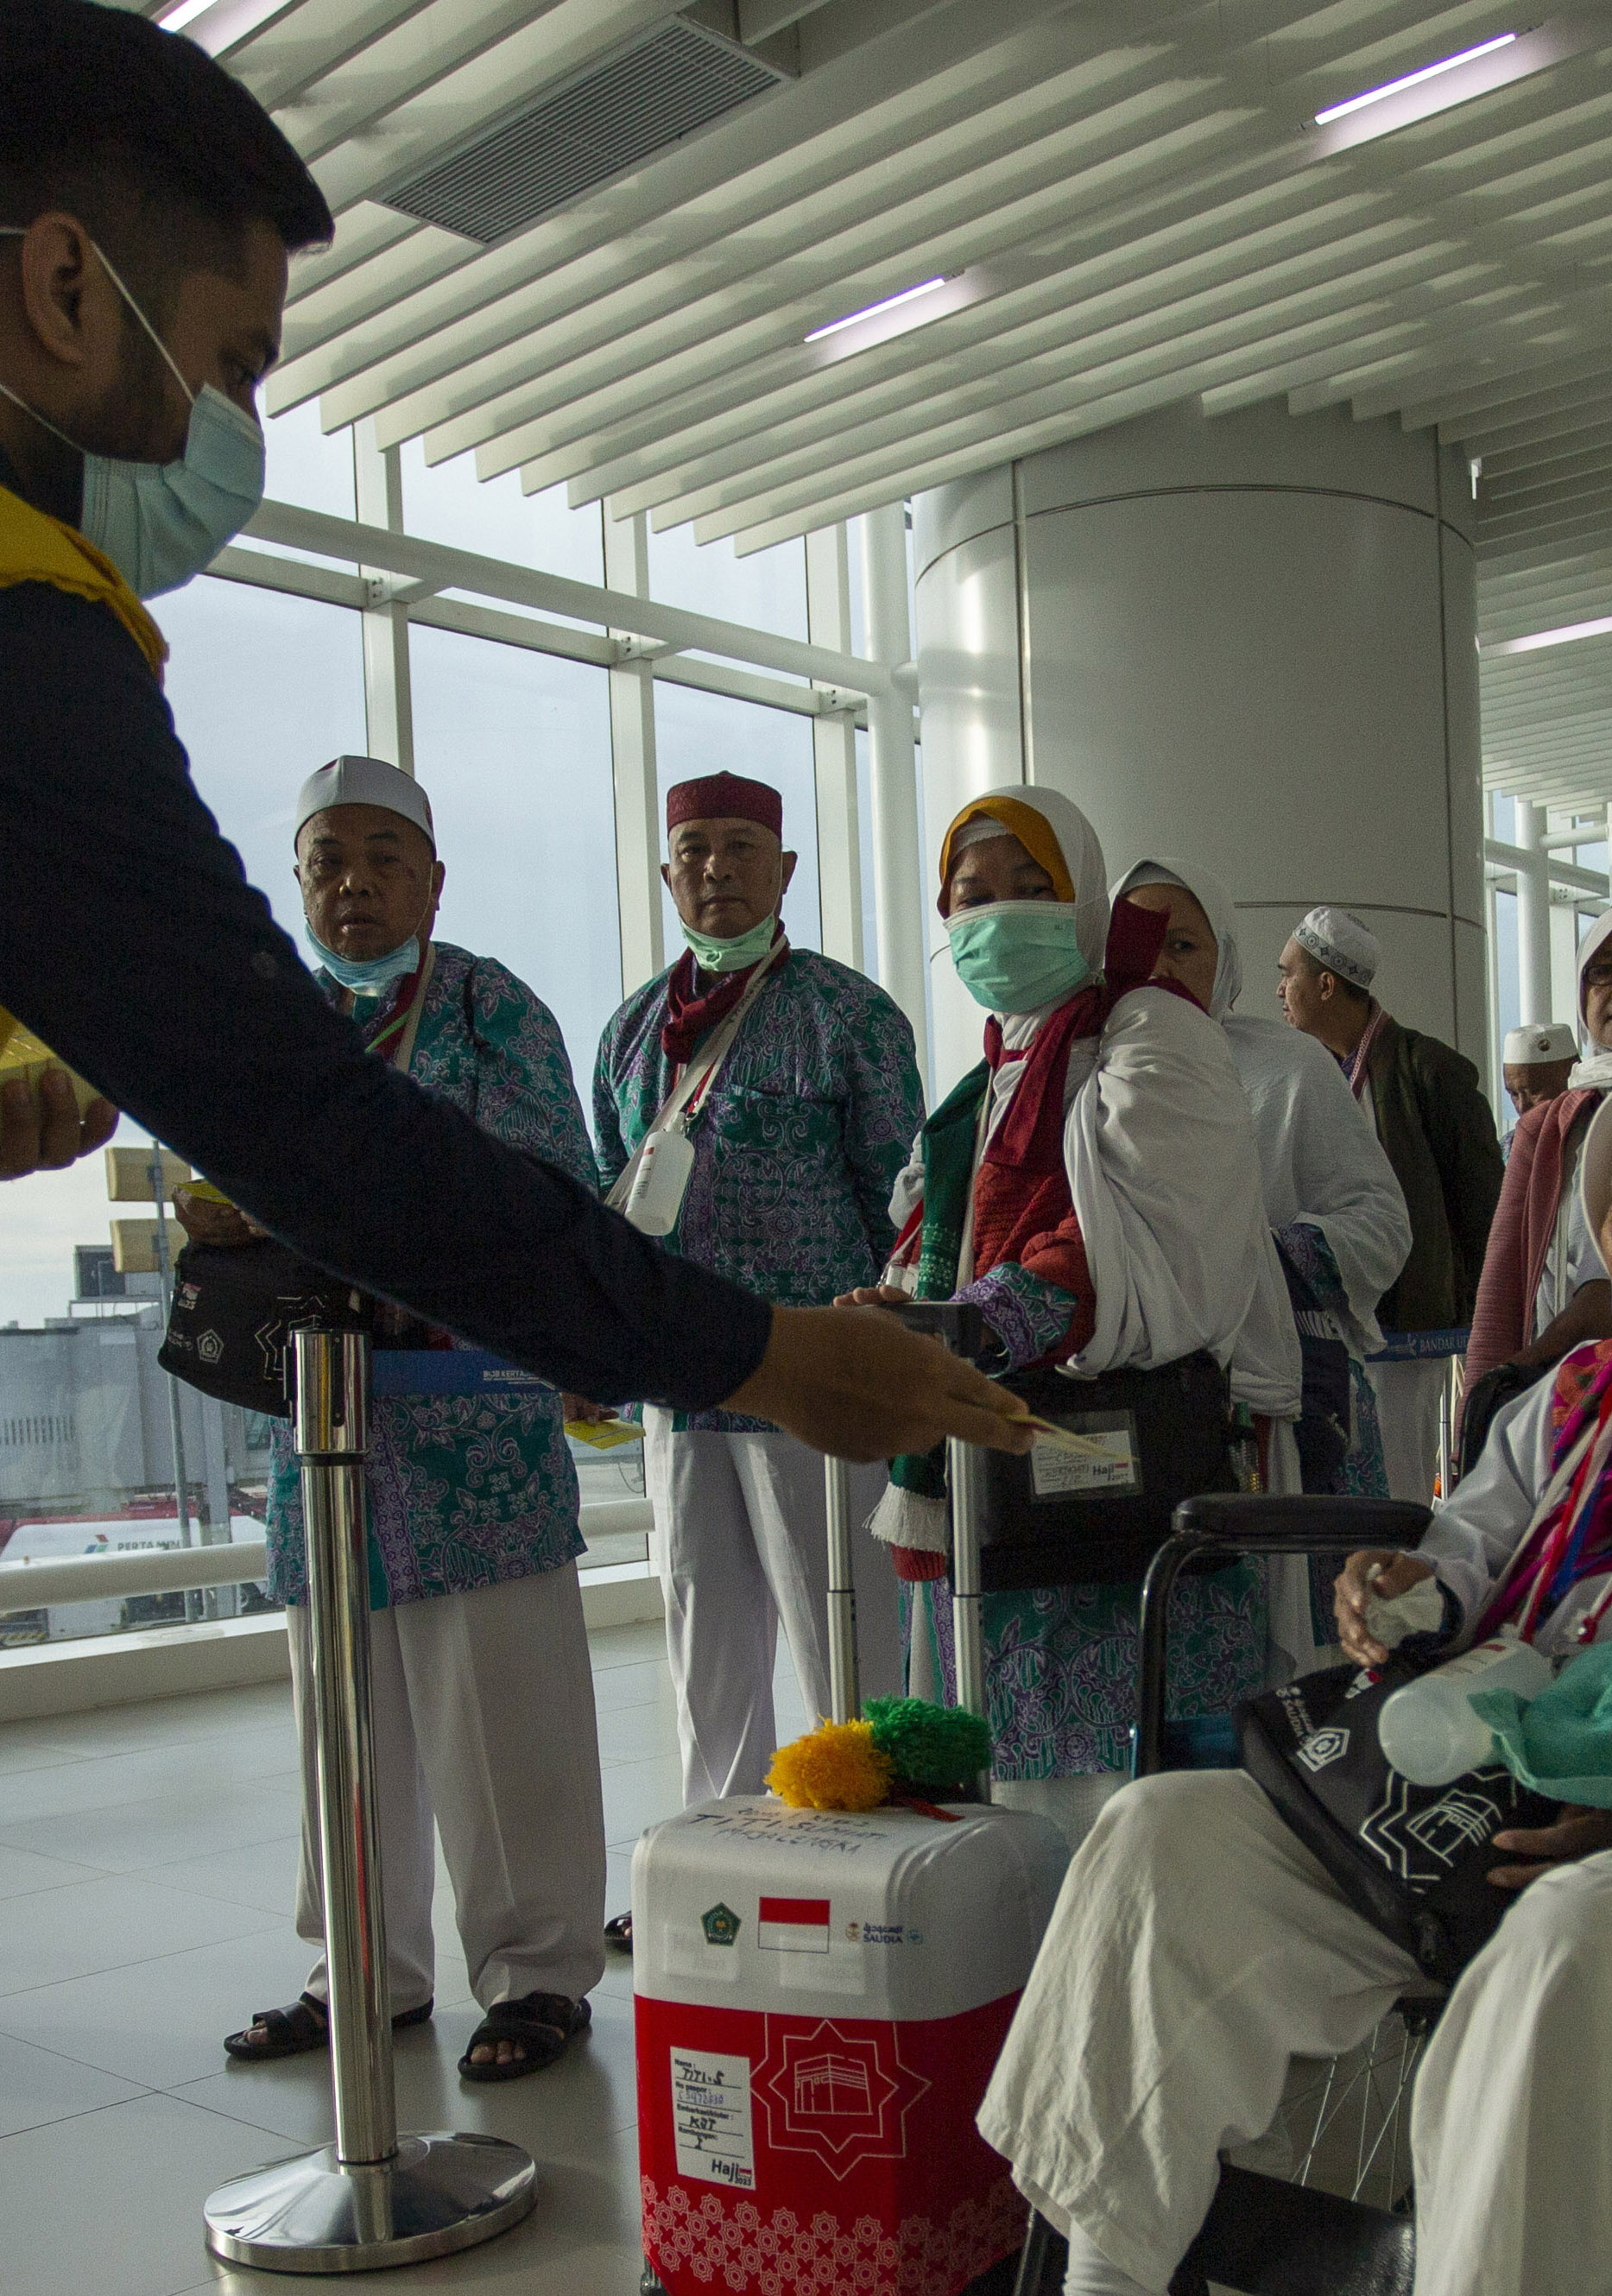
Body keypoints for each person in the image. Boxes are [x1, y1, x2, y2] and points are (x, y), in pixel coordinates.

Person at [0, 0, 1031, 1472]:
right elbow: (310, 1120)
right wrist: (765, 1351)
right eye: (232, 366)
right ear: (65, 287)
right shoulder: (26, 628)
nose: (232, 430)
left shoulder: (768, 1018)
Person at [977, 1068, 1612, 2296]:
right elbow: (1472, 1540)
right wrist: (1402, 1589)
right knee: (1160, 1833)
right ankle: (1111, 2263)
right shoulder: (1569, 1396)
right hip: (1471, 1798)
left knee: (1568, 1942)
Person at [193, 757, 606, 2083]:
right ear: (299, 881)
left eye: (383, 857)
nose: (354, 883)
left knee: (502, 1712)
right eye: (327, 861)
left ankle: (537, 1972)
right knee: (344, 1713)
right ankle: (364, 1968)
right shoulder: (278, 1017)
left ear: (433, 877)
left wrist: (365, 1197)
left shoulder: (491, 1009)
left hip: (467, 1424)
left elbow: (550, 1182)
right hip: (321, 1427)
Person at [844, 789, 1301, 1843]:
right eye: (970, 895)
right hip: (988, 1473)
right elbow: (943, 1238)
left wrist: (977, 1316)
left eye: (1028, 888)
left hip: (1125, 1466)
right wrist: (902, 1304)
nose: (996, 916)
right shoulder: (986, 1074)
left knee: (1141, 1804)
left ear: (1083, 899)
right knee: (1008, 1783)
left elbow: (1152, 1233)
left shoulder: (1155, 1033)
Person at [592, 771, 920, 1843]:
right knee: (705, 1635)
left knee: (847, 1625)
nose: (715, 868)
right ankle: (709, 1846)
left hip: (812, 1376)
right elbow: (612, 1190)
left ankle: (875, 1832)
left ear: (784, 871)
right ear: (665, 875)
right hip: (682, 1386)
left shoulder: (848, 1013)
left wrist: (888, 1352)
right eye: (692, 849)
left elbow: (901, 1203)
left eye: (739, 847)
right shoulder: (633, 1030)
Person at [1114, 857, 1410, 1505]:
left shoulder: (1288, 1067)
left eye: (1184, 945)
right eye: (1135, 943)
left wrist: (1262, 1257)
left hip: (1285, 1401)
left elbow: (1382, 1222)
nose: (1159, 966)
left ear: (1223, 961)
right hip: (1123, 1397)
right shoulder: (1076, 1074)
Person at [1279, 906, 1502, 1504]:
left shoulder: (1427, 1069)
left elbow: (1483, 1206)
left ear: (1326, 984)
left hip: (1403, 1322)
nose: (1279, 990)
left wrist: (1473, 1314)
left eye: (1289, 974)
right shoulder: (1307, 1074)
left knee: (1398, 1477)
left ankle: (1394, 1588)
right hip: (1327, 1313)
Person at [1463, 890, 1612, 1428]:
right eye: (1604, 970)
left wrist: (1526, 1370)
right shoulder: (1554, 1123)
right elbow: (1516, 1276)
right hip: (1564, 1387)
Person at [1501, 1021, 1577, 1123]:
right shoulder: (1512, 1138)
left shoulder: (1600, 1132)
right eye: (1514, 1094)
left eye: (1534, 1092)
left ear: (1572, 1076)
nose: (1522, 1107)